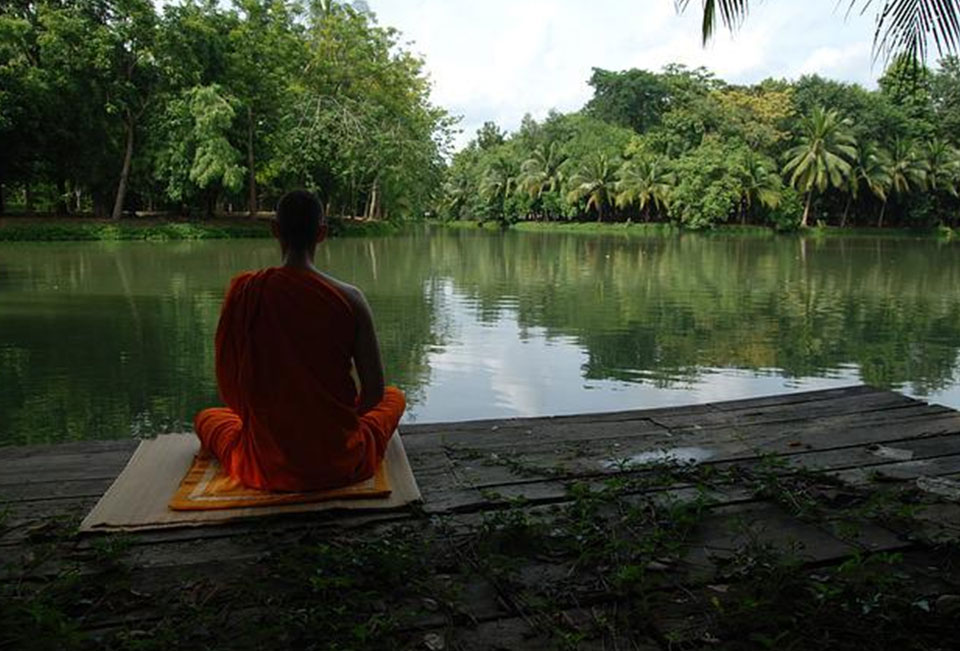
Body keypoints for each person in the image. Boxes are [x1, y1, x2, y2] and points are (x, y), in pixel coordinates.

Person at [193, 190, 405, 491]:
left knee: (208, 417)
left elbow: (230, 389)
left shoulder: (246, 292)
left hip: (265, 465)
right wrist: (338, 421)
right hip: (340, 459)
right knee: (395, 397)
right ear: (322, 234)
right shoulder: (351, 298)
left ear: (275, 230)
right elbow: (374, 393)